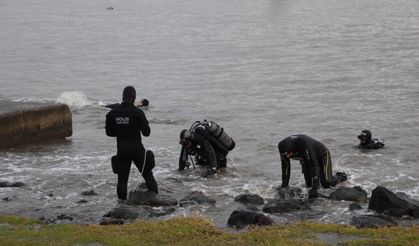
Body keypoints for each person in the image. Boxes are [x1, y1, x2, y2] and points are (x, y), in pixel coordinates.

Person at [105, 86, 158, 200]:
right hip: (137, 150)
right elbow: (146, 133)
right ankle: (156, 202)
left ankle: (121, 206)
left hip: (122, 150)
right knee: (148, 176)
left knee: (122, 180)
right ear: (133, 97)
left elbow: (109, 133)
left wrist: (121, 130)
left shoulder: (112, 113)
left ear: (123, 96)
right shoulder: (138, 112)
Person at [277, 134, 346, 198]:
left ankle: (340, 176)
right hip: (305, 158)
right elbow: (285, 167)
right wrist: (284, 185)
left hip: (322, 154)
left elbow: (314, 165)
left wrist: (315, 188)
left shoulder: (303, 144)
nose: (288, 156)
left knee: (327, 183)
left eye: (289, 153)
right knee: (309, 185)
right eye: (285, 154)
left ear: (293, 148)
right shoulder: (283, 149)